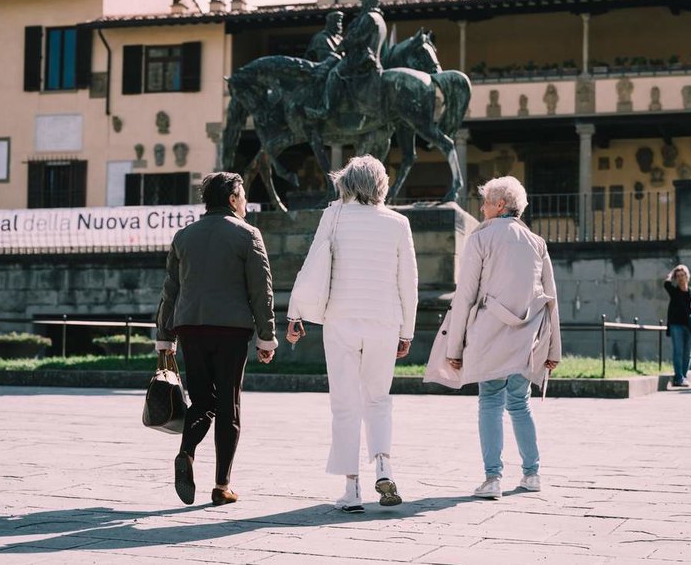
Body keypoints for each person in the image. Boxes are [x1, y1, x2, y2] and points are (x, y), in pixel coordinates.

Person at [286, 155, 417, 513]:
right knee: (378, 398)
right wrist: (407, 330)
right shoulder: (398, 223)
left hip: (341, 320)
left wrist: (296, 313)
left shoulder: (334, 216)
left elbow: (312, 265)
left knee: (345, 403)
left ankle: (352, 488)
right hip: (385, 320)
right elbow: (409, 281)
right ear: (381, 185)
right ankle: (384, 465)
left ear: (347, 183)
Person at [425, 175, 561, 500]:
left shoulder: (481, 238)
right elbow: (552, 297)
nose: (482, 207)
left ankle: (492, 478)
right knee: (520, 402)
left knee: (489, 402)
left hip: (489, 334)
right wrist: (553, 348)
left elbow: (465, 296)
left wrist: (454, 346)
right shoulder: (537, 242)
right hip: (526, 337)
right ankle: (532, 473)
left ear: (500, 205)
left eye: (485, 201)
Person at [155, 172, 277, 506]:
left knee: (202, 402)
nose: (246, 204)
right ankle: (222, 485)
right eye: (243, 196)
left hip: (190, 327)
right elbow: (260, 291)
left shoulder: (184, 236)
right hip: (231, 330)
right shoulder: (248, 235)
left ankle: (186, 453)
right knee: (229, 406)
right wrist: (267, 338)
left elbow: (171, 289)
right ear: (233, 198)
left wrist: (164, 335)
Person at [305, 0, 387, 126]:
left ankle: (326, 110)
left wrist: (342, 46)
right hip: (374, 61)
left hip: (360, 60)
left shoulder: (369, 17)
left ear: (366, 2)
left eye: (363, 2)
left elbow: (355, 37)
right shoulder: (381, 19)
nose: (362, 5)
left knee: (333, 74)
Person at [663, 264, 691, 388]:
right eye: (677, 276)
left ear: (687, 276)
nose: (680, 278)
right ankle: (679, 377)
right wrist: (672, 272)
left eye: (682, 275)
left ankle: (683, 377)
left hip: (690, 326)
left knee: (687, 353)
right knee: (678, 350)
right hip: (676, 325)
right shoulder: (674, 291)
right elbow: (666, 284)